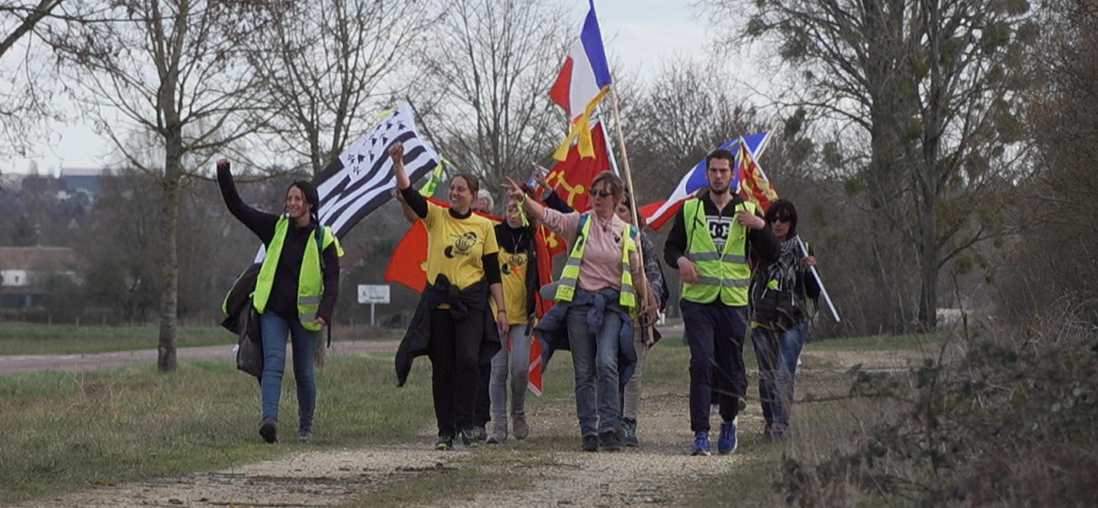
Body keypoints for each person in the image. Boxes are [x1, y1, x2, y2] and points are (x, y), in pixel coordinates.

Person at [505, 171, 656, 452]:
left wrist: (649, 302)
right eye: (593, 192)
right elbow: (549, 217)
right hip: (579, 306)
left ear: (617, 198)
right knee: (584, 369)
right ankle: (589, 430)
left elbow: (637, 275)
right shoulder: (579, 222)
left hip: (612, 307)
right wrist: (524, 199)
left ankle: (609, 427)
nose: (596, 197)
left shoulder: (628, 233)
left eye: (603, 193)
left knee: (607, 362)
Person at [391, 142, 509, 450]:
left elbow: (493, 272)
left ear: (472, 195)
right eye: (452, 188)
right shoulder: (437, 217)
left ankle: (466, 424)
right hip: (439, 304)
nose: (454, 193)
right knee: (442, 365)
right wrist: (398, 161)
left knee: (469, 362)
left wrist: (502, 311)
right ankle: (445, 431)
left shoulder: (484, 226)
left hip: (470, 306)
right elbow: (410, 193)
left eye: (461, 189)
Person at [216, 158, 343, 444]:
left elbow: (333, 279)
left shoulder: (323, 238)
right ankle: (269, 422)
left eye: (297, 198)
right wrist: (224, 173)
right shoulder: (275, 228)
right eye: (289, 198)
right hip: (272, 311)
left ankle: (305, 426)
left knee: (303, 371)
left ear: (310, 203)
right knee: (273, 364)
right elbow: (238, 208)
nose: (291, 202)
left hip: (306, 316)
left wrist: (325, 311)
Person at [663, 148, 778, 456]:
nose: (718, 176)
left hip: (733, 300)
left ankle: (728, 420)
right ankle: (700, 432)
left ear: (732, 174)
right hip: (698, 300)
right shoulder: (690, 210)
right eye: (713, 171)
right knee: (701, 362)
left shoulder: (748, 209)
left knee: (729, 365)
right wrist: (681, 261)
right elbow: (670, 248)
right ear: (707, 173)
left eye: (723, 171)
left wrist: (761, 227)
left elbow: (772, 255)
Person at [749, 199, 819, 441]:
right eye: (773, 219)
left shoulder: (803, 248)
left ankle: (780, 426)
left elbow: (813, 292)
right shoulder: (758, 247)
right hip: (763, 320)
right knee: (766, 376)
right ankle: (769, 421)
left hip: (793, 321)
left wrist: (808, 270)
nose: (778, 224)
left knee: (783, 374)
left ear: (792, 223)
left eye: (784, 219)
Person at [615, 192, 669, 447]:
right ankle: (609, 418)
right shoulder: (600, 240)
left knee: (633, 373)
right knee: (607, 368)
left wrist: (652, 300)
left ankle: (629, 421)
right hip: (608, 314)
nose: (617, 216)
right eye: (613, 210)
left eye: (623, 210)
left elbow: (654, 276)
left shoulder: (642, 243)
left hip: (636, 315)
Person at [485, 194, 539, 444]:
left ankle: (518, 413)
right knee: (498, 370)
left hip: (523, 315)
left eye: (516, 210)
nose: (511, 214)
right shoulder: (493, 235)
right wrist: (497, 310)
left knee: (519, 369)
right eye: (508, 209)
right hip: (497, 312)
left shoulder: (532, 241)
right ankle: (499, 426)